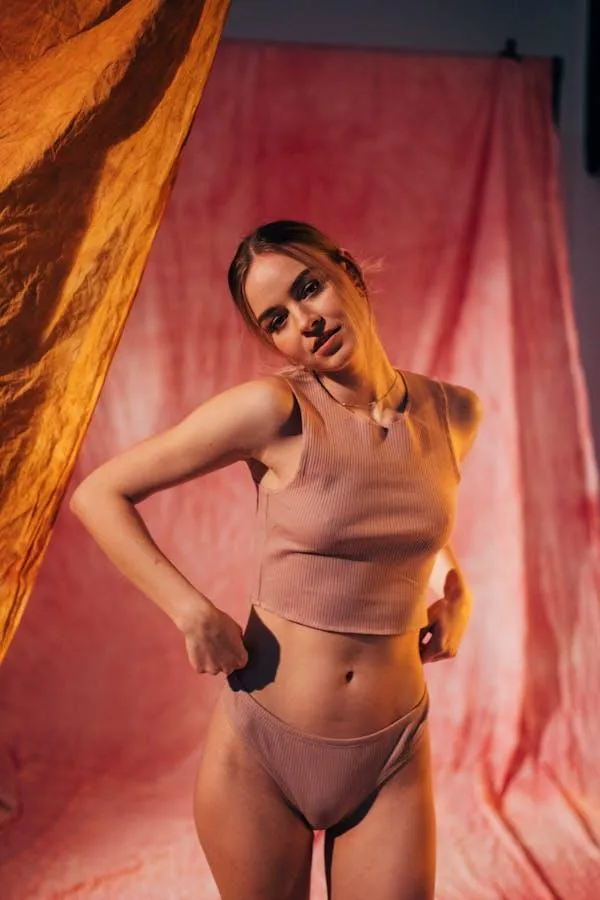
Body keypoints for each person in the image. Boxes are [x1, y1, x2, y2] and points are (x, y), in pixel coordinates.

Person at [70, 220, 483, 900]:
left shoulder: (454, 414)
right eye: (277, 319)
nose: (305, 322)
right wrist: (190, 610)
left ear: (346, 270)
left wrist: (454, 585)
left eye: (309, 288)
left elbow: (408, 514)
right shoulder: (275, 411)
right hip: (263, 752)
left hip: (393, 756)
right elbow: (100, 493)